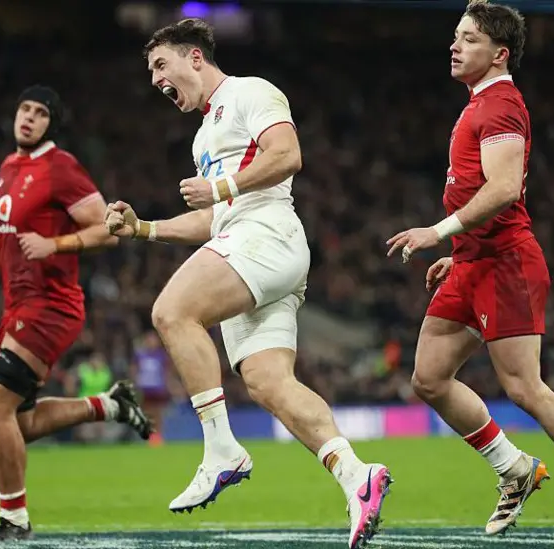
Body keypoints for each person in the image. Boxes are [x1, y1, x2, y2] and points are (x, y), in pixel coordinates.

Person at [104, 19, 392, 549]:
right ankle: (358, 476)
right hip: (244, 241)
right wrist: (143, 228)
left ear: (195, 57)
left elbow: (287, 156)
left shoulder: (250, 92)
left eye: (160, 65)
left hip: (266, 235)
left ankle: (221, 450)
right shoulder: (202, 137)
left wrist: (222, 186)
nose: (155, 80)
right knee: (267, 382)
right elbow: (212, 219)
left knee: (171, 311)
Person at [385, 2, 554, 548]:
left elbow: (503, 189)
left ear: (499, 54)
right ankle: (515, 468)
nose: (455, 46)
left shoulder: (501, 105)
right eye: (456, 36)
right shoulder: (479, 103)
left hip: (506, 264)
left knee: (525, 388)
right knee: (429, 378)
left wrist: (438, 232)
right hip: (474, 261)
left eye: (469, 39)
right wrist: (461, 251)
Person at [0, 85, 153, 542]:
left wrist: (55, 244)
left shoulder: (60, 167)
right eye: (24, 109)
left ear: (52, 124)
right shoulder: (9, 168)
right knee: (18, 422)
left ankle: (14, 521)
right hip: (19, 305)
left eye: (40, 112)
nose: (29, 117)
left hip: (51, 304)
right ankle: (110, 405)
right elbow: (8, 240)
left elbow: (109, 230)